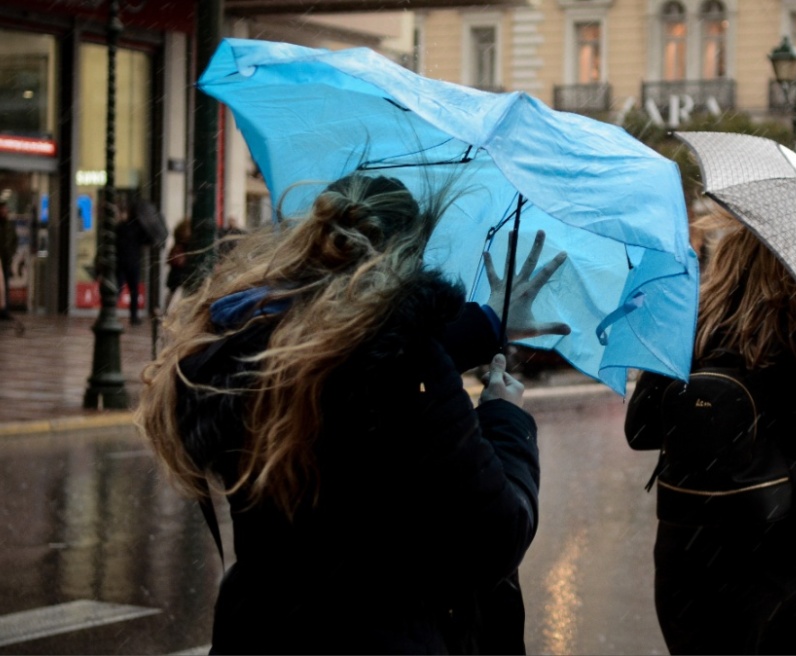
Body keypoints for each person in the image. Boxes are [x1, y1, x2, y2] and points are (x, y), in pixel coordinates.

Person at [137, 173, 566, 654]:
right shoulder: (404, 370)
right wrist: (506, 421)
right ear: (409, 254)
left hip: (259, 630)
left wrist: (489, 322)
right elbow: (496, 538)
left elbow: (354, 358)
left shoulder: (253, 340)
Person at [624, 215, 796, 655]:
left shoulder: (688, 324)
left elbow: (640, 431)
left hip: (692, 552)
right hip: (792, 550)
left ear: (727, 259)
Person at [115, 197, 148, 325]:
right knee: (133, 291)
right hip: (132, 262)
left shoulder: (122, 227)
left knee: (120, 288)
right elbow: (146, 241)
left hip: (123, 262)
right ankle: (133, 317)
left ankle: (113, 312)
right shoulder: (138, 228)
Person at [164, 218, 192, 310]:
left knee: (173, 293)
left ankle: (166, 311)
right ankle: (167, 311)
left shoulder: (179, 243)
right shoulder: (183, 244)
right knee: (176, 293)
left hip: (178, 272)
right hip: (179, 272)